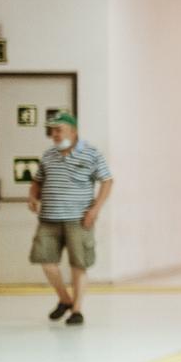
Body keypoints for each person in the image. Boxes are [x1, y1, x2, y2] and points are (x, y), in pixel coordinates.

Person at [29, 112, 113, 327]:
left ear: (73, 131)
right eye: (53, 131)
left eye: (59, 130)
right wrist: (32, 196)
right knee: (46, 262)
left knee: (79, 264)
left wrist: (95, 209)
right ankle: (65, 299)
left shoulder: (91, 153)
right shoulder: (48, 155)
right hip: (49, 217)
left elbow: (107, 181)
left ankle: (77, 309)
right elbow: (37, 181)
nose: (54, 135)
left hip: (79, 218)